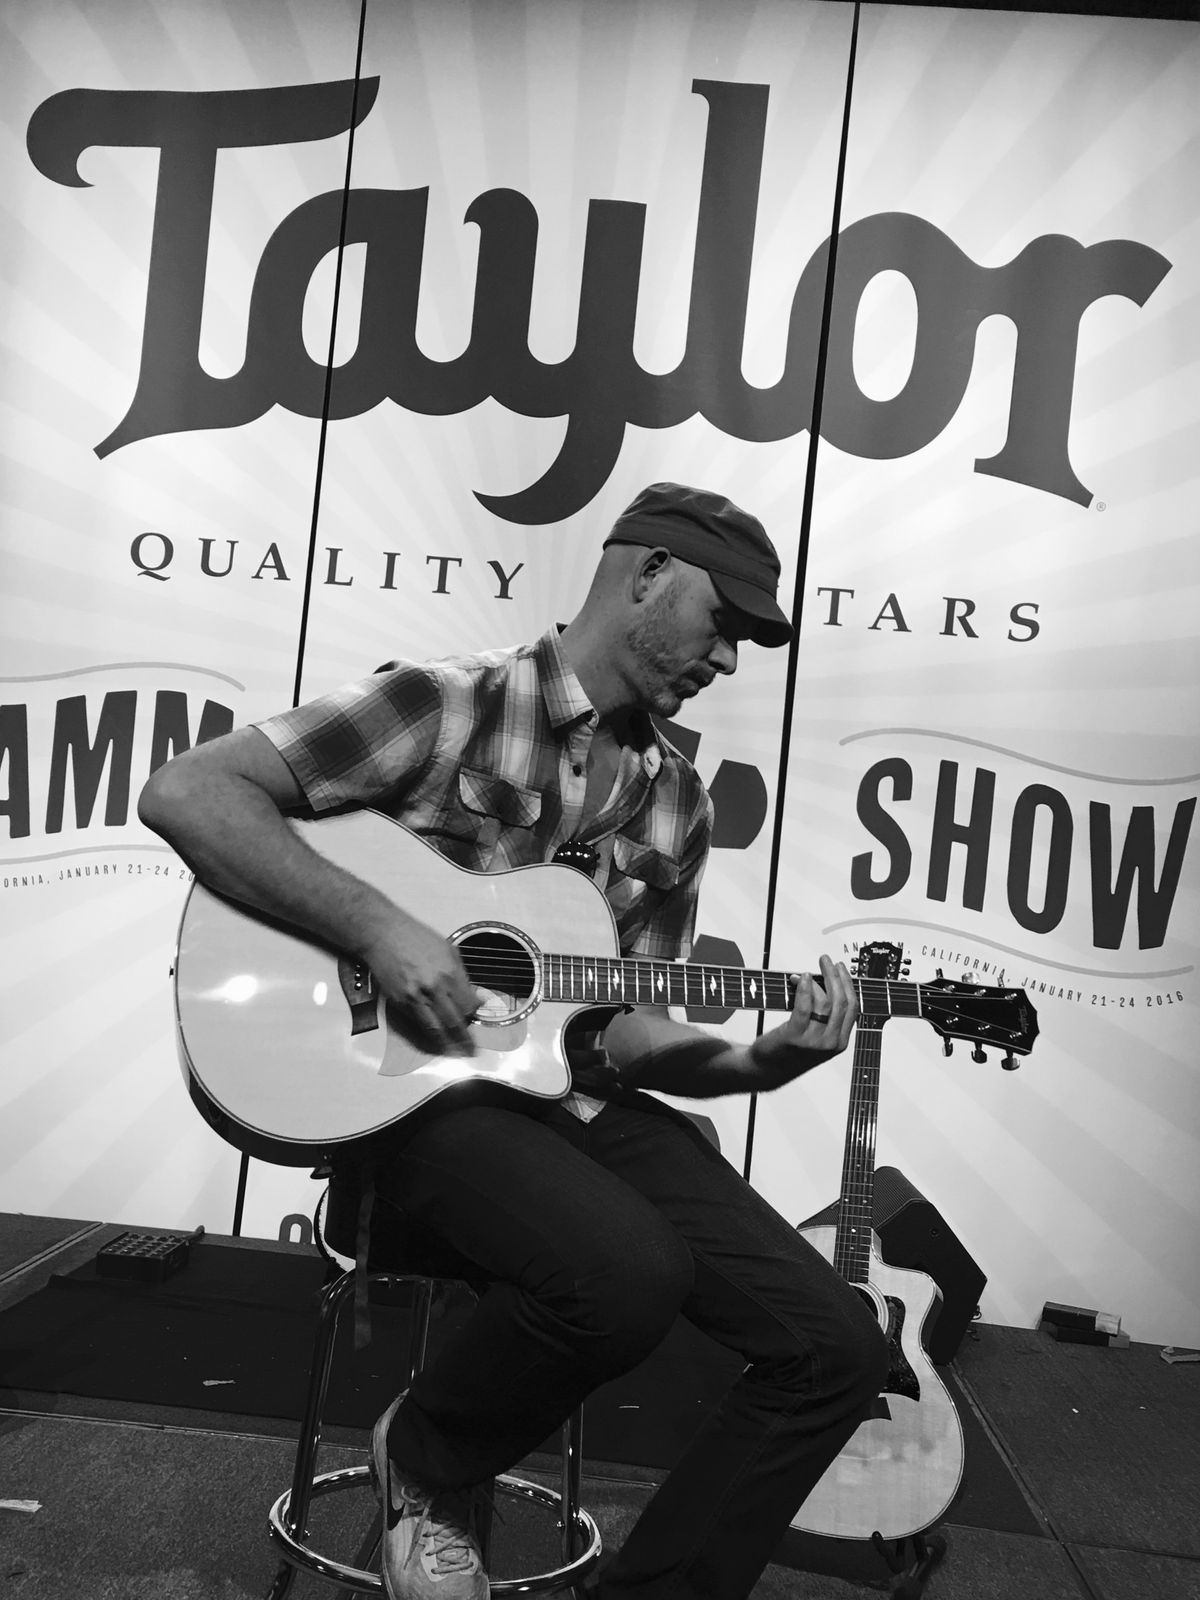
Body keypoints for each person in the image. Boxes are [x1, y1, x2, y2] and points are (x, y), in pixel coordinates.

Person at [139, 482, 888, 1600]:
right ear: (648, 574)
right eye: (723, 621)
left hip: (566, 1103)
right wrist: (381, 927)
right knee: (627, 1270)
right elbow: (189, 791)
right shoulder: (446, 705)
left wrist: (757, 1063)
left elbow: (623, 1027)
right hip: (408, 1110)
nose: (730, 659)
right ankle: (427, 1460)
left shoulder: (680, 803)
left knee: (838, 1346)